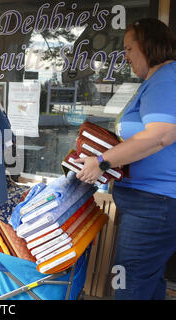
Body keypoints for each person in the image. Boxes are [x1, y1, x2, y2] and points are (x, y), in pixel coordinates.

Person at [74, 18, 176, 300]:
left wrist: (103, 161)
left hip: (155, 205)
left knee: (126, 285)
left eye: (130, 48)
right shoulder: (155, 81)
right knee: (146, 284)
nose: (126, 56)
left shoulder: (167, 79)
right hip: (148, 204)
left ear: (147, 46)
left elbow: (160, 135)